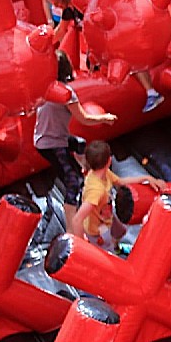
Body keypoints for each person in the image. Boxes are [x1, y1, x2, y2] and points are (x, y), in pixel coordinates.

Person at [36, 51, 118, 225]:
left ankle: (85, 173)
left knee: (80, 144)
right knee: (72, 182)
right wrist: (105, 118)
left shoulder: (43, 87)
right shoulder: (65, 93)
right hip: (52, 144)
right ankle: (72, 226)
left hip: (45, 139)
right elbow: (84, 118)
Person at [70, 139, 164, 253]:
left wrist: (146, 178)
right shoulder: (96, 191)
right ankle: (113, 253)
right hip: (98, 229)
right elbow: (77, 219)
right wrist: (83, 248)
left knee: (120, 231)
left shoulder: (103, 173)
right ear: (109, 161)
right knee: (107, 248)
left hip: (107, 216)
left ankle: (116, 247)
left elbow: (122, 181)